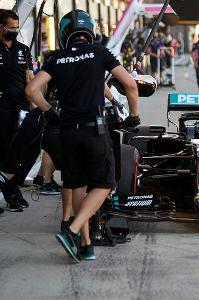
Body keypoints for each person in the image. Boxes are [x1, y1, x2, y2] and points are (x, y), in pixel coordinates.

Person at [25, 10, 140, 262]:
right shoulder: (99, 52)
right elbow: (130, 85)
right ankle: (74, 230)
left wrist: (50, 112)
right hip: (93, 129)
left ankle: (85, 245)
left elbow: (32, 89)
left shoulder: (55, 57)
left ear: (65, 33)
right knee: (105, 183)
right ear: (91, 30)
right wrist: (133, 116)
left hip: (67, 131)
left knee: (77, 185)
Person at [0, 9, 34, 213]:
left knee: (20, 151)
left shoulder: (22, 49)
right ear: (1, 27)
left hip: (21, 108)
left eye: (16, 27)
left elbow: (30, 78)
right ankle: (10, 193)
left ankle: (11, 189)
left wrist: (35, 105)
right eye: (11, 28)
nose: (15, 30)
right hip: (1, 109)